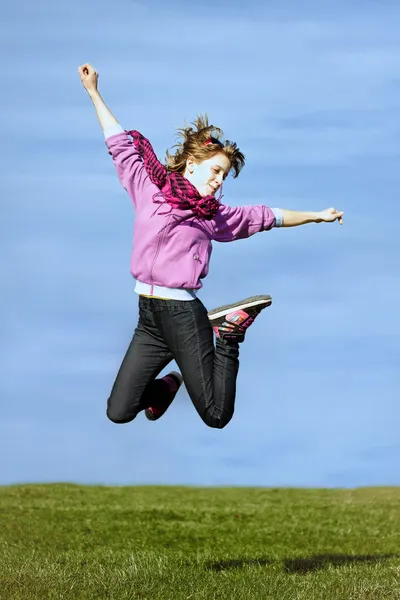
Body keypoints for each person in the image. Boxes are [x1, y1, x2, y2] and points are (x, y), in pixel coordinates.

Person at [78, 63, 344, 429]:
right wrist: (94, 92)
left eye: (223, 176)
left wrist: (316, 215)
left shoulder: (213, 216)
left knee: (216, 415)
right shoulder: (148, 190)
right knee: (118, 411)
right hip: (149, 317)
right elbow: (119, 144)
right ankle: (168, 386)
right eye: (215, 171)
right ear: (191, 164)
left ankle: (231, 333)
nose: (219, 182)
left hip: (183, 315)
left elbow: (266, 216)